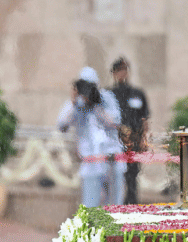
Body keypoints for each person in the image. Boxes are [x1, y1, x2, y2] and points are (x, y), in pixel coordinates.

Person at [57, 66, 124, 207]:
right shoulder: (75, 104)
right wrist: (75, 103)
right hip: (90, 163)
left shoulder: (107, 98)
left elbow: (115, 122)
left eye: (91, 86)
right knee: (90, 207)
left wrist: (95, 105)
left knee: (114, 207)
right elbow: (62, 126)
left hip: (112, 161)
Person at [109, 57, 150, 205]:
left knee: (132, 180)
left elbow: (144, 120)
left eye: (124, 70)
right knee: (114, 180)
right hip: (114, 144)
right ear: (113, 73)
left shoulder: (137, 94)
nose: (122, 74)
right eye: (119, 71)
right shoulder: (109, 94)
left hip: (133, 144)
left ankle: (131, 209)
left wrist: (143, 140)